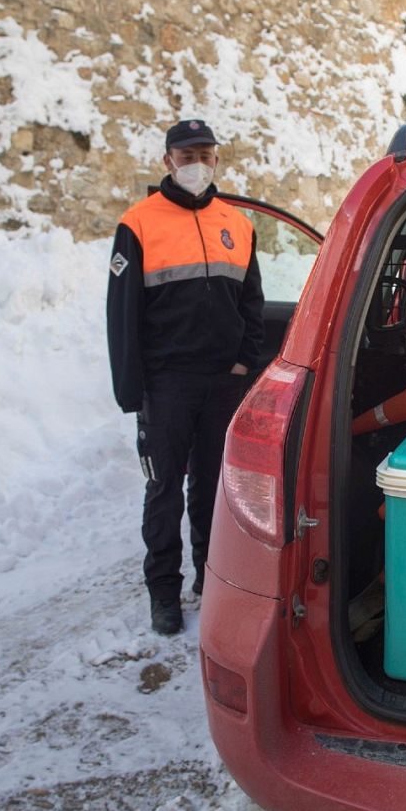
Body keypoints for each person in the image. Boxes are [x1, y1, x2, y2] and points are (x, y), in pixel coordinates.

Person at [106, 119, 264, 635]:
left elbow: (252, 304)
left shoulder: (237, 225)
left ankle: (209, 577)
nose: (197, 163)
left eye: (206, 153)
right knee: (165, 489)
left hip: (222, 382)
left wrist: (245, 363)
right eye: (186, 154)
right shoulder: (139, 223)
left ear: (217, 159)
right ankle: (164, 593)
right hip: (167, 383)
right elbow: (121, 315)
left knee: (214, 489)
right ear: (168, 160)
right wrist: (132, 391)